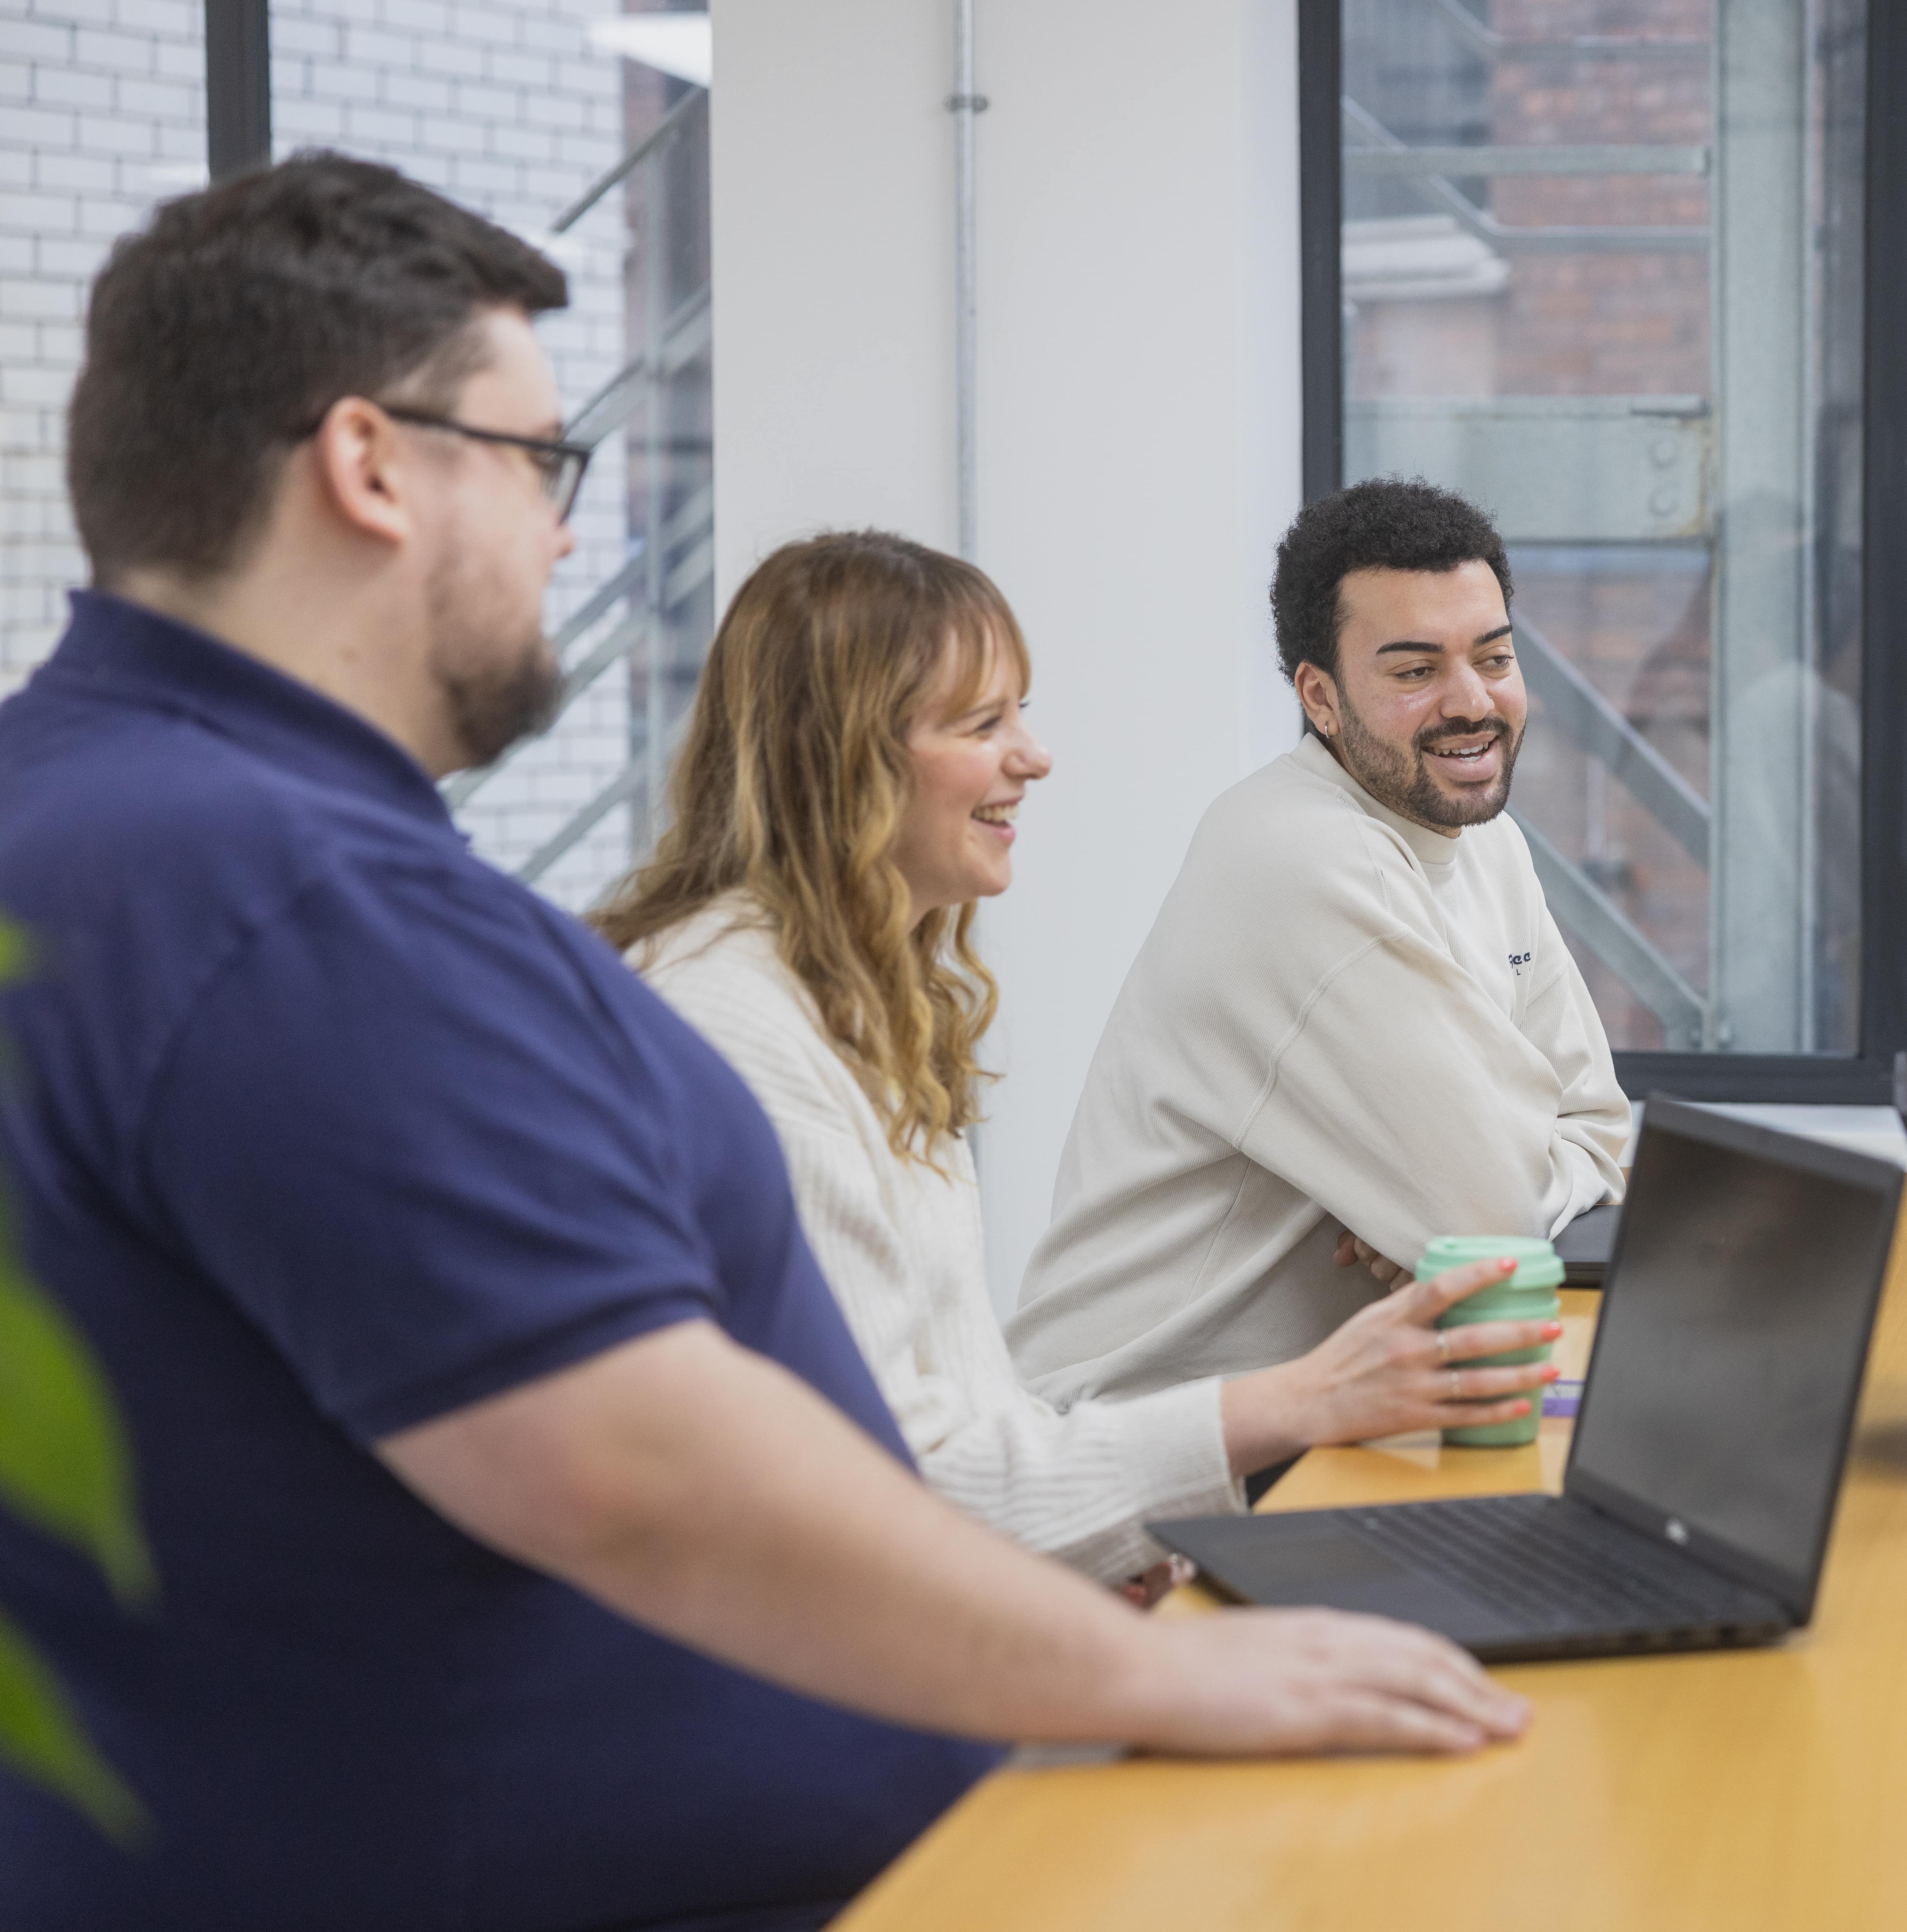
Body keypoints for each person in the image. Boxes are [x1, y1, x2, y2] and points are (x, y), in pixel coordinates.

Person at [0, 157, 1521, 1932]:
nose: (572, 534)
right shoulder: (283, 890)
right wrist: (1171, 1680)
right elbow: (634, 1465)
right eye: (542, 465)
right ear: (368, 465)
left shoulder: (96, 816)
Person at [604, 531, 1565, 1588]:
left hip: (1034, 1540)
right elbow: (886, 1483)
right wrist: (1305, 1398)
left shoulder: (864, 998)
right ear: (837, 756)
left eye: (1023, 711)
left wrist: (1118, 1533)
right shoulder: (734, 1029)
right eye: (983, 723)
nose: (1035, 755)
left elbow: (961, 1407)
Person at [1008, 479, 1629, 1412]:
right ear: (1321, 697)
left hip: (1324, 1413)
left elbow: (1601, 1136)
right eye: (1414, 671)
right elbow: (1492, 1234)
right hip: (1142, 1445)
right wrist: (1463, 1210)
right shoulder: (1298, 859)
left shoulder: (1486, 842)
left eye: (1493, 657)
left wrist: (1443, 1214)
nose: (1471, 703)